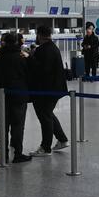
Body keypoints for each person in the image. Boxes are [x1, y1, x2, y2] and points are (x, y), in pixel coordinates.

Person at [28, 25, 69, 157]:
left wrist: (29, 58)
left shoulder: (43, 50)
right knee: (48, 114)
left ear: (39, 35)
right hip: (55, 88)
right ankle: (62, 139)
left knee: (45, 116)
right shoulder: (53, 47)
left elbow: (41, 70)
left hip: (46, 90)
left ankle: (46, 147)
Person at [0, 32, 32, 163]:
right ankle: (18, 153)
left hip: (3, 97)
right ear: (16, 42)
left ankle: (4, 155)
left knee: (3, 125)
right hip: (19, 96)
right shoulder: (21, 58)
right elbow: (28, 75)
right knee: (18, 125)